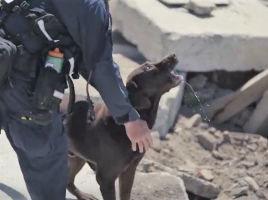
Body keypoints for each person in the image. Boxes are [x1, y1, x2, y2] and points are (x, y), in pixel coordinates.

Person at [0, 0, 152, 199]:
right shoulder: (91, 5)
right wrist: (129, 118)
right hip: (25, 92)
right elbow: (101, 67)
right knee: (47, 160)